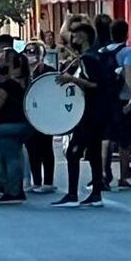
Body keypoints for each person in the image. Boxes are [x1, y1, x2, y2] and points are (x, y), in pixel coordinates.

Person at [52, 24, 105, 208]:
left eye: (74, 36)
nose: (72, 40)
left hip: (89, 113)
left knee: (73, 152)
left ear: (82, 37)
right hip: (96, 112)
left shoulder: (89, 59)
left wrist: (72, 79)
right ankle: (96, 193)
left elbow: (95, 84)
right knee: (94, 153)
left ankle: (73, 194)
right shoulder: (94, 56)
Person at [0, 50, 34, 202]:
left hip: (5, 127)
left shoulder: (7, 85)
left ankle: (12, 191)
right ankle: (17, 189)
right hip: (25, 124)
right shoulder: (28, 83)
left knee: (9, 158)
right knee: (16, 156)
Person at [22, 42, 57, 194]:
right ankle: (36, 180)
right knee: (31, 148)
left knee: (46, 147)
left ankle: (48, 181)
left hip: (45, 114)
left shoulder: (48, 71)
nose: (31, 55)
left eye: (34, 52)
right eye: (28, 52)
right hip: (29, 114)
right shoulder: (23, 72)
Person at [101, 20, 131, 189]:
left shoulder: (102, 51)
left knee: (107, 137)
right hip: (123, 99)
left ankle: (104, 174)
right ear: (126, 33)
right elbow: (129, 78)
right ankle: (123, 176)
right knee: (124, 140)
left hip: (105, 100)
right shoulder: (127, 52)